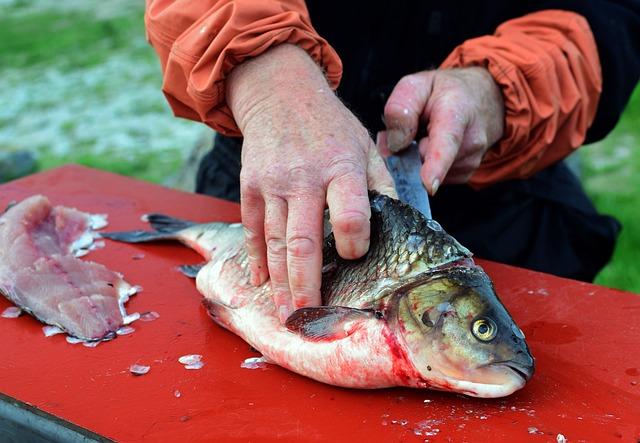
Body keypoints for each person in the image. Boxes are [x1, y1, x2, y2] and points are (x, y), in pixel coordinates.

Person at [145, 1, 640, 322]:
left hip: (511, 205)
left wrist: (503, 88)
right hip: (263, 184)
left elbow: (613, 15)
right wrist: (267, 80)